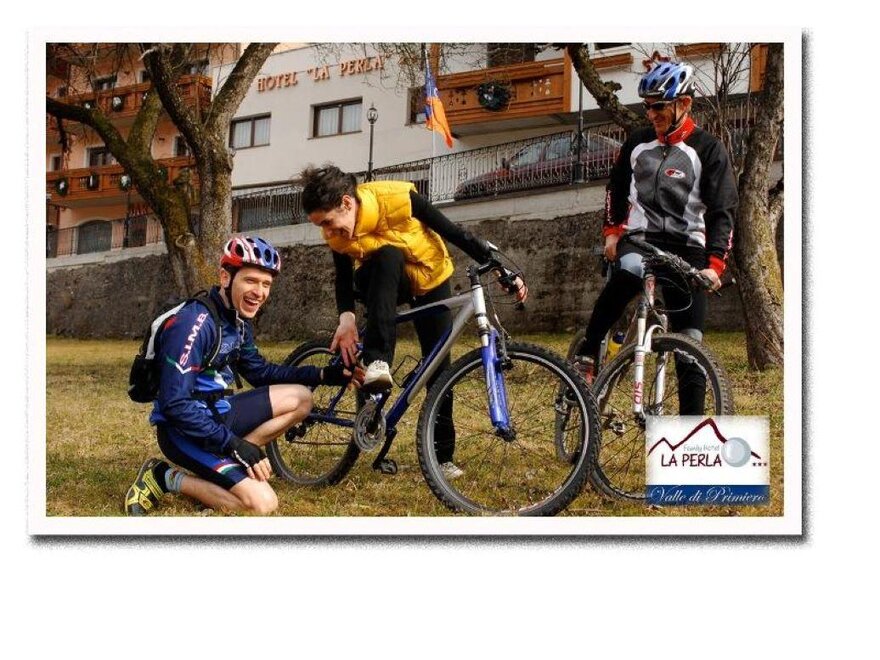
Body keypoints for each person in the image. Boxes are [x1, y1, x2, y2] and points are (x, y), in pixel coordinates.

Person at [300, 166, 527, 478]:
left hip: (431, 277)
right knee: (388, 255)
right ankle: (377, 363)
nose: (327, 233)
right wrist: (347, 319)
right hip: (381, 280)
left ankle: (442, 457)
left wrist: (500, 268)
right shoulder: (338, 236)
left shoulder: (398, 198)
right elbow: (343, 278)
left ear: (347, 203)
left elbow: (452, 231)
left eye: (327, 222)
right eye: (320, 226)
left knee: (440, 368)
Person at [124, 235, 360, 516]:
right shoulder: (194, 324)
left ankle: (226, 466)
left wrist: (322, 374)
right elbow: (175, 404)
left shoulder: (237, 320)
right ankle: (164, 477)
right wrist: (233, 444)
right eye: (250, 281)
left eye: (266, 284)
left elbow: (260, 372)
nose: (259, 292)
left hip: (219, 413)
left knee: (301, 398)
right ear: (226, 277)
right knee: (262, 504)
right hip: (183, 431)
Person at [575, 61, 737, 414]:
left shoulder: (708, 149)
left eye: (659, 106)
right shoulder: (637, 142)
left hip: (687, 249)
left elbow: (722, 210)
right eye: (647, 106)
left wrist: (714, 266)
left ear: (684, 104)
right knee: (629, 270)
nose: (651, 114)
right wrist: (612, 233)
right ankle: (587, 355)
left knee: (690, 346)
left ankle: (690, 434)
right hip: (641, 240)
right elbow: (616, 188)